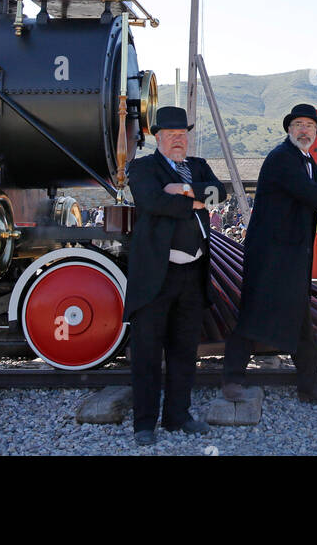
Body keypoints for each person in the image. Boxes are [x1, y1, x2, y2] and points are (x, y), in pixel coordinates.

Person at [222, 103, 317, 405]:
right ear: (289, 129)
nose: (304, 130)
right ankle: (232, 379)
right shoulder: (281, 159)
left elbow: (311, 202)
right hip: (270, 254)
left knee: (302, 320)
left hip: (295, 255)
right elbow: (312, 195)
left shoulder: (310, 163)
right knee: (254, 313)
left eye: (310, 126)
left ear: (315, 132)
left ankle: (308, 386)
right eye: (299, 125)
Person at [123, 106, 227, 446]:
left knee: (185, 350)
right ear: (158, 137)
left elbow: (218, 194)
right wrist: (197, 199)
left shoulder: (196, 167)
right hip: (156, 275)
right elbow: (153, 202)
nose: (179, 140)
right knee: (148, 351)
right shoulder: (142, 167)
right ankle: (144, 423)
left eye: (183, 134)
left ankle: (178, 416)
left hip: (193, 273)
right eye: (172, 135)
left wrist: (183, 191)